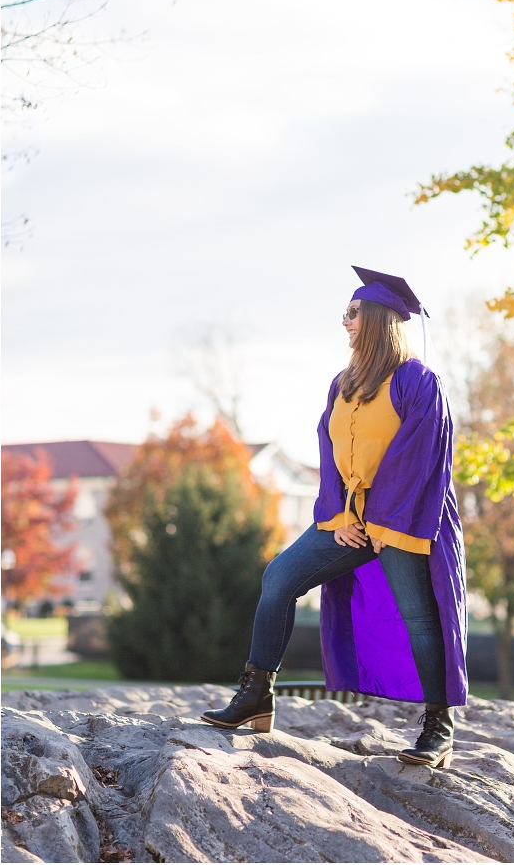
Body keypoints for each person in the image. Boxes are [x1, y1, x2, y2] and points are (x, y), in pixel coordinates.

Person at [201, 266, 468, 768]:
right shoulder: (342, 383)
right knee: (279, 578)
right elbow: (328, 452)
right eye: (344, 313)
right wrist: (338, 515)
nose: (344, 321)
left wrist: (386, 522)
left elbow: (419, 458)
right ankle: (256, 694)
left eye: (352, 312)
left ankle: (439, 728)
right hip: (351, 519)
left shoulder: (418, 381)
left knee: (419, 617)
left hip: (408, 515)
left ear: (379, 320)